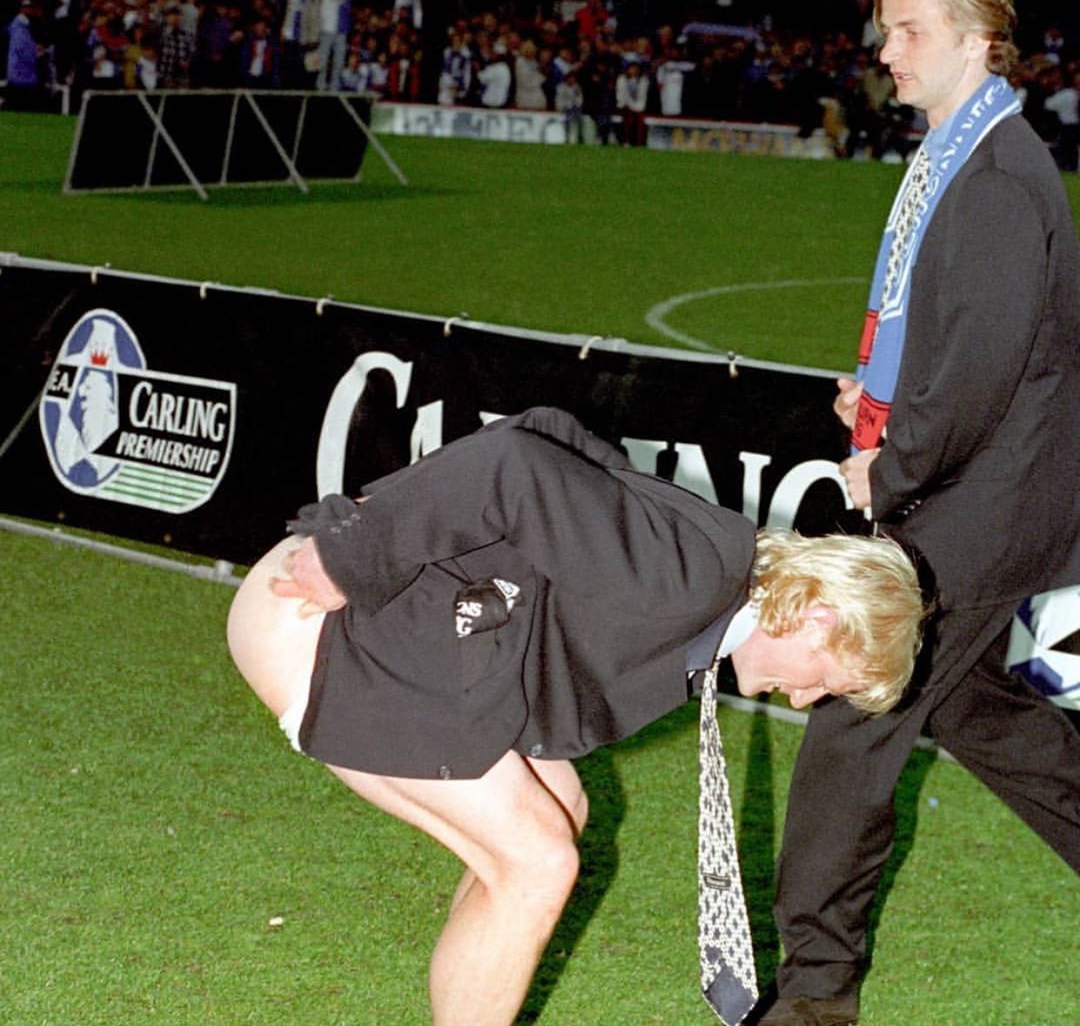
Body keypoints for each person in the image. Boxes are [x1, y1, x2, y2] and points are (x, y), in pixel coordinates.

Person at [228, 407, 925, 1026]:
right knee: (538, 862)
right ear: (817, 619)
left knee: (560, 809)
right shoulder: (691, 579)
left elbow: (549, 429)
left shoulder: (720, 571)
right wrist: (356, 550)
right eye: (826, 681)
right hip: (321, 629)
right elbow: (513, 462)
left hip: (396, 641)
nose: (804, 700)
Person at [759, 0, 1080, 1025]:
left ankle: (813, 1002)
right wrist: (882, 399)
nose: (884, 51)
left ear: (979, 40)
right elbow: (971, 344)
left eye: (906, 32)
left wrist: (887, 465)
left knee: (853, 725)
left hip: (977, 515)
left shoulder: (991, 176)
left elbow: (984, 379)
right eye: (886, 31)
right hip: (986, 500)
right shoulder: (969, 159)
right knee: (985, 718)